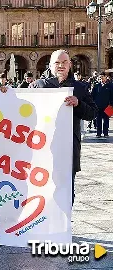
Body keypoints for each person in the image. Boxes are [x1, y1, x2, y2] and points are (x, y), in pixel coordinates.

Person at [29, 49, 97, 205]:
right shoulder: (37, 86)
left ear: (70, 65)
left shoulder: (79, 88)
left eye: (64, 62)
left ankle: (64, 224)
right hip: (42, 146)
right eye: (57, 62)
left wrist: (78, 104)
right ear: (51, 65)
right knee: (41, 187)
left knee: (66, 188)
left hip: (69, 146)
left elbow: (92, 113)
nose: (61, 65)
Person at [91, 72, 113, 138]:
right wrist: (93, 104)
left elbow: (112, 96)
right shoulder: (96, 86)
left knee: (106, 120)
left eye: (103, 77)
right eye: (100, 77)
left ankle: (106, 133)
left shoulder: (110, 86)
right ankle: (99, 133)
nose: (101, 79)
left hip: (107, 106)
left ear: (106, 77)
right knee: (98, 120)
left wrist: (111, 104)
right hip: (98, 106)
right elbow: (92, 96)